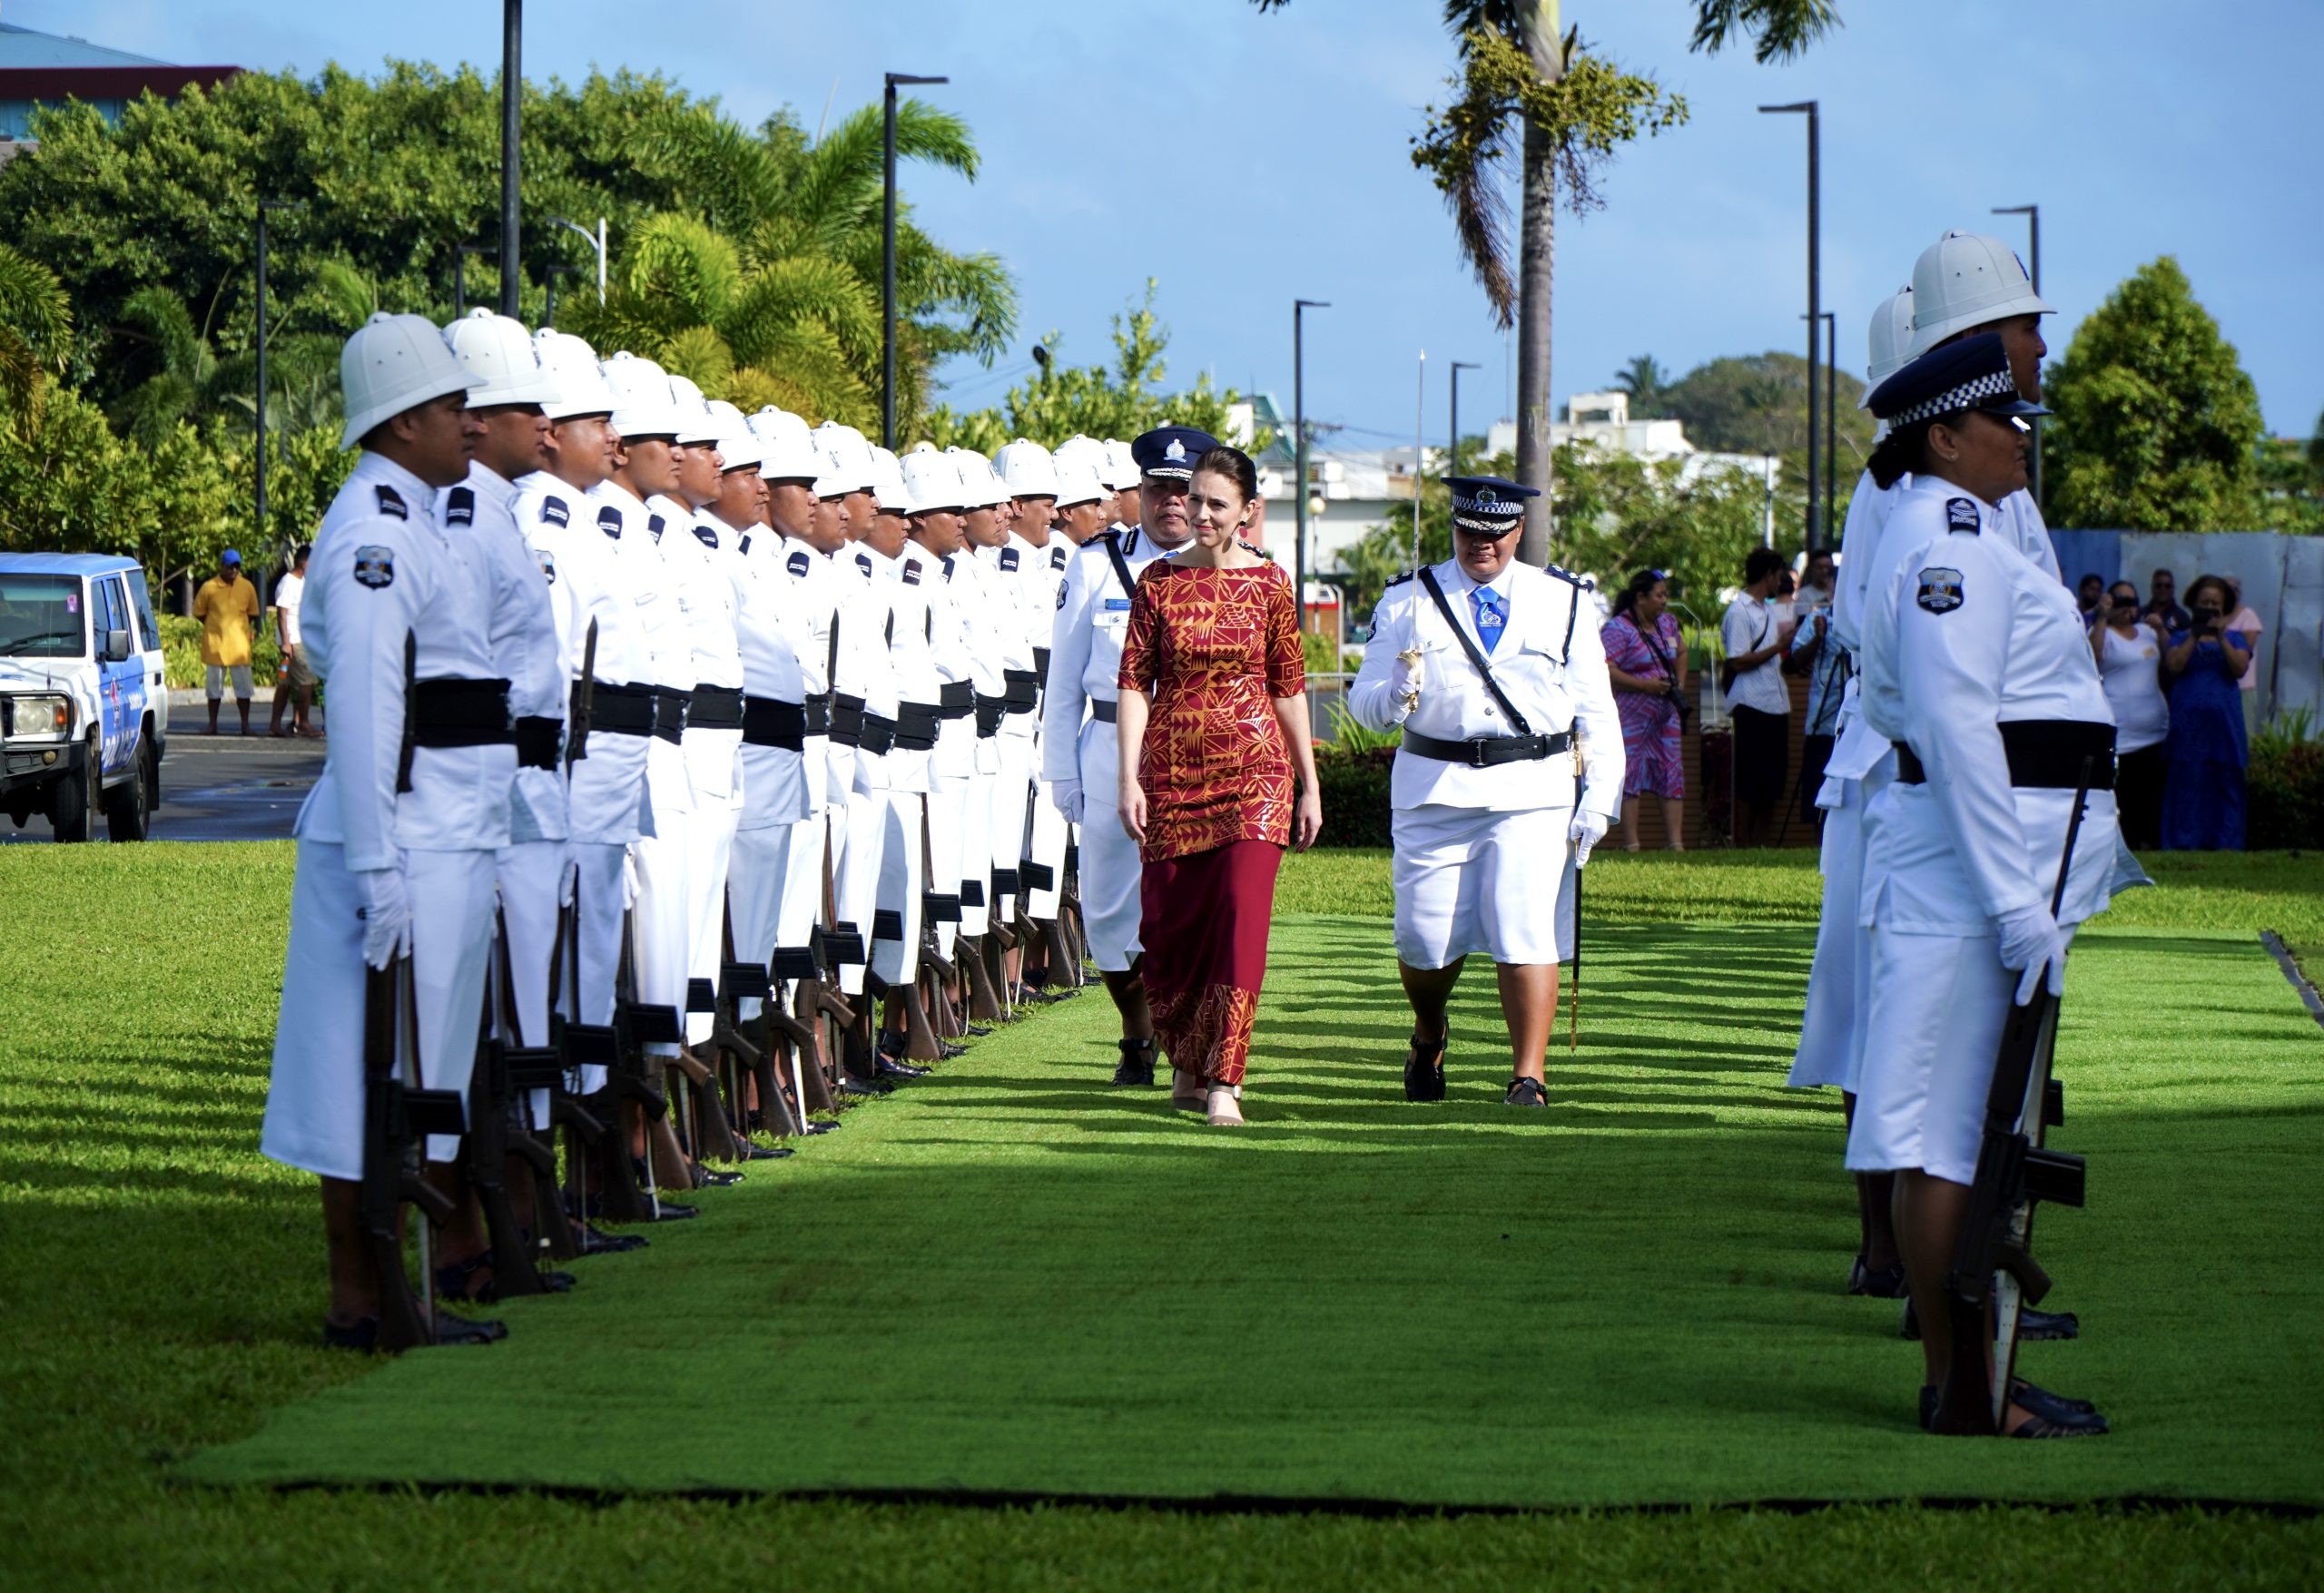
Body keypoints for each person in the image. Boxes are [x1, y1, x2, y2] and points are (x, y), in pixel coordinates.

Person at [1853, 329, 2116, 1437]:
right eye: (2004, 421)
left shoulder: (1948, 535)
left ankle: (1974, 1377)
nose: (2021, 438)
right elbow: (1960, 727)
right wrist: (2014, 901)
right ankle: (1967, 1389)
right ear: (1945, 437)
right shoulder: (1946, 553)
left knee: (1963, 1131)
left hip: (1985, 865)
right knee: (1949, 1134)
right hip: (1977, 876)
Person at [260, 312, 508, 1350]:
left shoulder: (414, 518)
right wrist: (378, 866)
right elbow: (363, 707)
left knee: (415, 1074)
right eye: (454, 406)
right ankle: (362, 1300)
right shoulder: (372, 535)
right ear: (404, 423)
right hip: (399, 836)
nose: (470, 422)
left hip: (443, 830)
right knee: (358, 1076)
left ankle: (394, 1294)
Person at [1348, 474, 1622, 1106]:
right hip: (1435, 788)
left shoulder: (1565, 600)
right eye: (1471, 531)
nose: (1483, 545)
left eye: (1497, 534)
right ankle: (1428, 1030)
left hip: (1533, 787)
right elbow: (1363, 703)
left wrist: (1600, 796)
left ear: (1518, 531)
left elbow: (1597, 711)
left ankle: (1529, 1075)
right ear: (1455, 526)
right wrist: (1391, 696)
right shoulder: (1407, 599)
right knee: (1422, 939)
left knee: (1523, 927)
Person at [1116, 444, 1319, 1126]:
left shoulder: (1271, 585)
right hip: (1172, 773)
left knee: (1238, 916)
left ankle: (1225, 1078)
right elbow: (1133, 685)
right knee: (1172, 926)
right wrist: (1128, 776)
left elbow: (1289, 688)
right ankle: (1186, 1056)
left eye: (1216, 503)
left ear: (1247, 512)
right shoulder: (1156, 582)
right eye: (1195, 499)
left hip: (1255, 774)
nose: (1199, 513)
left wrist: (1308, 783)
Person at [1044, 424, 1213, 1085]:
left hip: (1198, 749)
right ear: (1134, 494)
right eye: (1159, 489)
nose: (1172, 502)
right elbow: (1063, 679)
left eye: (1184, 490)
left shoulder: (1225, 562)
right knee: (1112, 911)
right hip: (1111, 746)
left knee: (1192, 902)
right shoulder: (1093, 564)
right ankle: (1136, 1031)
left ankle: (1186, 1039)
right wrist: (1062, 770)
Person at [2160, 575, 2250, 851]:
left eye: (2215, 604)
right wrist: (2195, 634)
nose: (2209, 607)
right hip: (2189, 725)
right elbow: (2174, 666)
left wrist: (2221, 637)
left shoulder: (2236, 638)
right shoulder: (2179, 636)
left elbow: (2239, 669)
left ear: (2224, 608)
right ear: (2193, 604)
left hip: (2224, 725)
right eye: (2204, 603)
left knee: (2225, 782)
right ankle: (2182, 843)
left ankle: (2227, 844)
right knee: (2187, 782)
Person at [1599, 568, 1685, 851]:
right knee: (1630, 772)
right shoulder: (1618, 629)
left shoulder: (1668, 624)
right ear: (1640, 597)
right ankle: (1631, 844)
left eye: (1665, 596)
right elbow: (1605, 668)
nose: (1664, 601)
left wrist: (1678, 683)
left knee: (1671, 770)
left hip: (1665, 715)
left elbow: (1681, 652)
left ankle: (1675, 844)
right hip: (1631, 716)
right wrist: (1643, 686)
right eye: (1659, 595)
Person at [1720, 547, 1796, 848]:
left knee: (1773, 778)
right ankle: (1745, 844)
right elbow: (1737, 660)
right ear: (1768, 574)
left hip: (1775, 702)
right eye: (1779, 575)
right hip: (1750, 703)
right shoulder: (1739, 611)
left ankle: (1764, 844)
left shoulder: (1767, 610)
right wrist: (1778, 648)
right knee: (1751, 781)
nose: (1782, 582)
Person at [2092, 581, 2169, 850]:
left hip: (2153, 730)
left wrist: (2161, 629)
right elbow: (2093, 656)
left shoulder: (2148, 632)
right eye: (2121, 602)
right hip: (2122, 734)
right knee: (2124, 794)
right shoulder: (2103, 632)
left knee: (2150, 793)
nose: (2128, 608)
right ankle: (2125, 843)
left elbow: (2173, 660)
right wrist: (2102, 616)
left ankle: (2150, 841)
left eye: (2132, 602)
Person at [193, 549, 262, 734]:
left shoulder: (247, 586)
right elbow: (199, 612)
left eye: (237, 566)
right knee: (214, 690)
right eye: (230, 566)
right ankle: (212, 724)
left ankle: (245, 725)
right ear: (222, 567)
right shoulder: (209, 587)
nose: (234, 570)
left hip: (239, 648)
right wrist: (215, 625)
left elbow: (253, 614)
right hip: (216, 647)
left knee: (244, 690)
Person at [270, 545, 319, 738]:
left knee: (285, 684)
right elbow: (282, 613)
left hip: (299, 639)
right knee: (307, 681)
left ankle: (275, 724)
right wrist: (286, 642)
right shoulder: (287, 582)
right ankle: (303, 723)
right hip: (293, 641)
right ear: (305, 563)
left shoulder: (303, 582)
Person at [2222, 576, 2265, 735]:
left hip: (2242, 687)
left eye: (2235, 589)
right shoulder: (2215, 617)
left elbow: (2246, 651)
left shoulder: (2248, 616)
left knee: (2243, 734)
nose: (2231, 593)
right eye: (2226, 588)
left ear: (2240, 593)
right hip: (2220, 685)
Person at [2144, 568, 2190, 634]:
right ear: (2152, 588)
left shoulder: (2182, 617)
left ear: (2173, 589)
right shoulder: (2140, 613)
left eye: (2167, 586)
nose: (2163, 589)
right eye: (2158, 586)